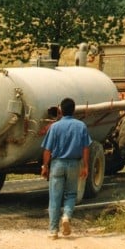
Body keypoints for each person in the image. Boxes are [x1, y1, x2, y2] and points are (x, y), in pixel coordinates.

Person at [40, 97, 91, 239]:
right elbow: (86, 148)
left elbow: (47, 150)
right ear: (74, 110)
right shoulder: (81, 126)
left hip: (57, 164)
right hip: (74, 164)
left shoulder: (54, 127)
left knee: (54, 197)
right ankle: (67, 216)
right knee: (71, 194)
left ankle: (53, 231)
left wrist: (45, 166)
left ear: (61, 111)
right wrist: (85, 166)